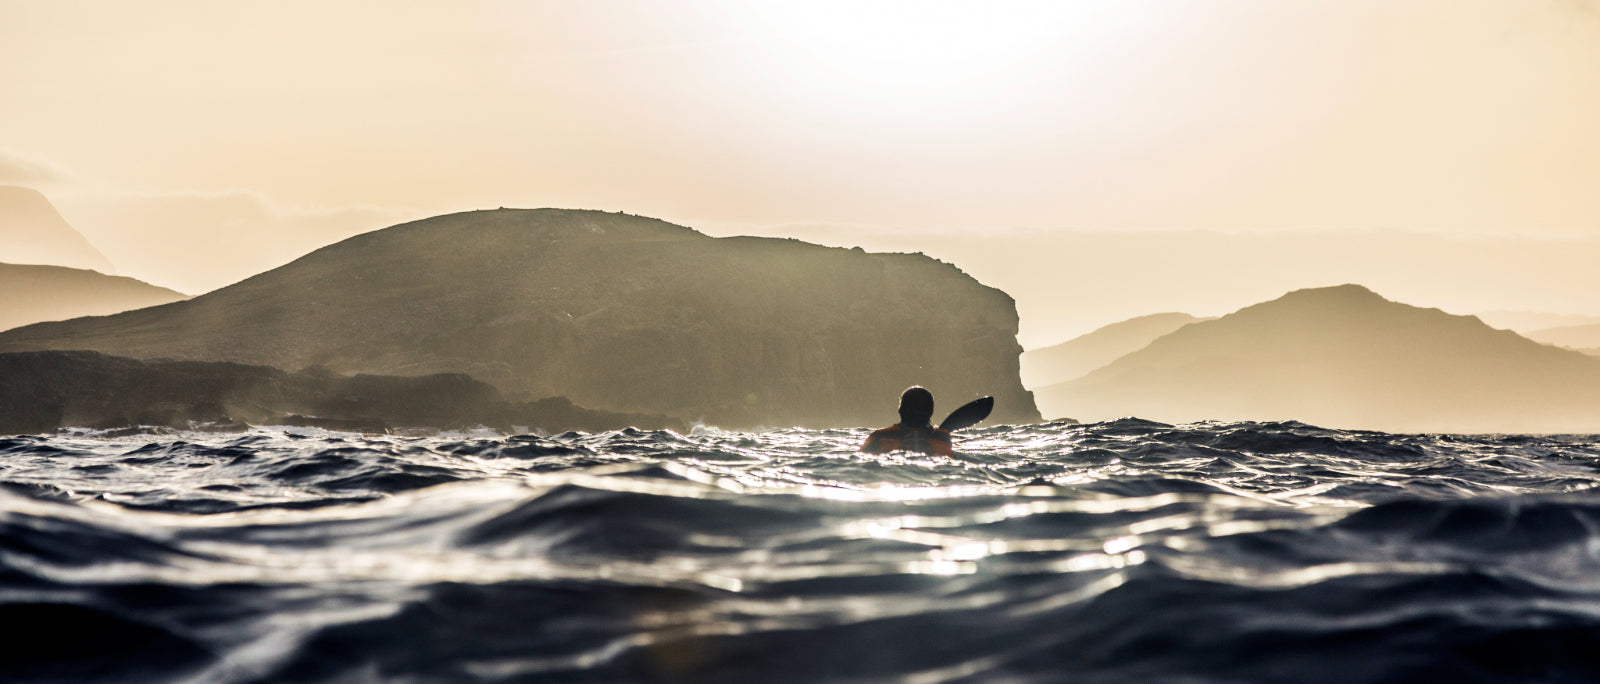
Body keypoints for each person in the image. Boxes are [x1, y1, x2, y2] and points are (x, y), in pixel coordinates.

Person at [860, 386, 953, 456]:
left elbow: (860, 457)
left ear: (900, 410)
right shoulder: (942, 437)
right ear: (931, 412)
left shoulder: (880, 436)